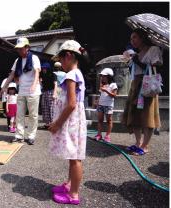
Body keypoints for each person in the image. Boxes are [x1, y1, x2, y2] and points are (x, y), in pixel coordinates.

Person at [48, 40, 87, 205]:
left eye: (62, 59)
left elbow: (71, 104)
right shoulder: (77, 73)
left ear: (69, 56)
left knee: (75, 158)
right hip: (75, 120)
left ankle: (73, 194)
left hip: (71, 121)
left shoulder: (71, 75)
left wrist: (57, 123)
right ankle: (70, 185)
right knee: (73, 156)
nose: (61, 63)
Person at [122, 28, 163, 156]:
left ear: (142, 37)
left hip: (147, 84)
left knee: (147, 115)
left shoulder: (153, 49)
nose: (132, 40)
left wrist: (137, 60)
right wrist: (131, 59)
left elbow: (155, 66)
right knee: (134, 115)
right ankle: (138, 142)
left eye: (134, 37)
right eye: (131, 38)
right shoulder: (136, 53)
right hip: (136, 85)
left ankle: (145, 146)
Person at [0, 37, 41, 145]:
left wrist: (34, 84)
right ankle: (19, 136)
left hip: (33, 91)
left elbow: (37, 72)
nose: (19, 50)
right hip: (22, 90)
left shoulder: (34, 58)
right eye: (18, 49)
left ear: (27, 48)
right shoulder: (17, 60)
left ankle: (31, 136)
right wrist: (4, 87)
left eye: (21, 48)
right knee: (19, 114)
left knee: (33, 115)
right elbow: (12, 74)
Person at [94, 68, 118, 143]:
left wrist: (106, 90)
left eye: (104, 76)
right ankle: (99, 134)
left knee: (109, 121)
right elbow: (101, 94)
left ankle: (107, 135)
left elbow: (114, 95)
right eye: (102, 76)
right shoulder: (102, 85)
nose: (102, 77)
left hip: (108, 105)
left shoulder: (113, 84)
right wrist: (97, 101)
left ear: (109, 76)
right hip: (101, 104)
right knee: (100, 120)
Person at [40, 62, 57, 129]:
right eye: (43, 68)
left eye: (45, 68)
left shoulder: (53, 75)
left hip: (51, 91)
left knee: (51, 107)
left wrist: (55, 93)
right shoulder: (42, 75)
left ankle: (53, 123)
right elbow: (41, 83)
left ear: (48, 69)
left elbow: (55, 84)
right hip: (44, 91)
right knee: (44, 107)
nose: (44, 70)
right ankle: (47, 124)